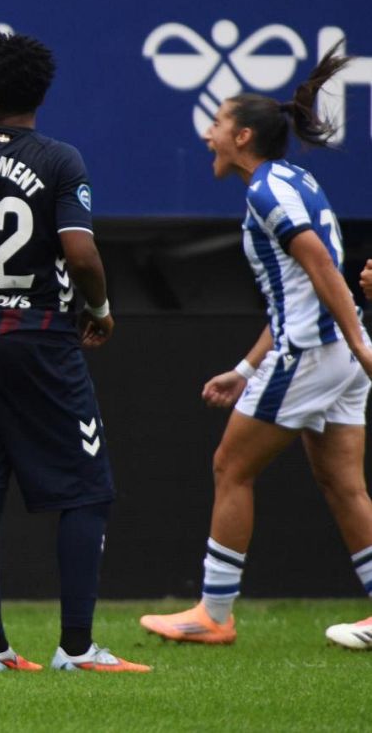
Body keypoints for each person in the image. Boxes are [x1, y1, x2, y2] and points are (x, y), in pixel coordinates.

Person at [0, 31, 149, 673]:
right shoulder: (61, 160)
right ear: (38, 97)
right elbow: (80, 253)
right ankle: (76, 648)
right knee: (86, 492)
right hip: (39, 338)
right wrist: (97, 309)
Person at [140, 45, 372, 650]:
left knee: (229, 466)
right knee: (342, 483)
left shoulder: (267, 192)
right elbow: (298, 289)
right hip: (335, 355)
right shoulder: (292, 180)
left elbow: (321, 267)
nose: (208, 135)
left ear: (242, 135)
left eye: (217, 124)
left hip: (316, 354)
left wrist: (357, 343)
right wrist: (246, 368)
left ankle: (214, 614)